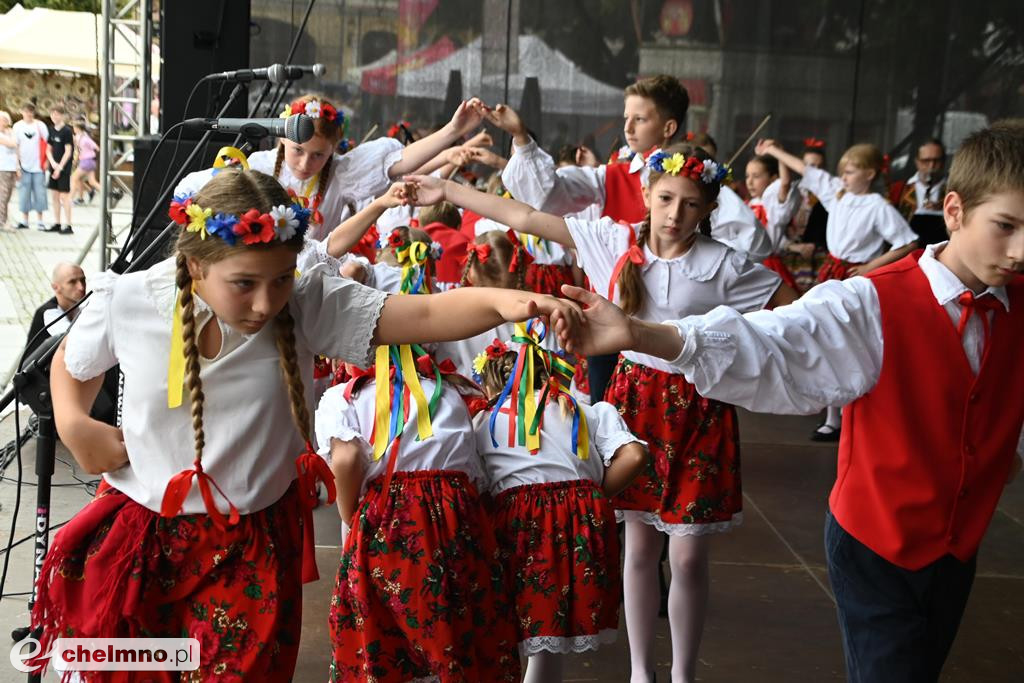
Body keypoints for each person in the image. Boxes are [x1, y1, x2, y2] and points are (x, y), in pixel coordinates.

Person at [31, 168, 583, 680]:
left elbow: (422, 315)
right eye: (244, 283)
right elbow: (71, 364)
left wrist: (513, 301)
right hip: (144, 538)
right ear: (196, 266)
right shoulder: (128, 299)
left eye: (281, 279)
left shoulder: (306, 302)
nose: (267, 301)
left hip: (249, 552)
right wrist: (75, 423)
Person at [555, 119, 1024, 683]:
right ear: (954, 211)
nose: (1020, 250)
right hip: (877, 541)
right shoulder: (873, 302)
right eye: (1006, 226)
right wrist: (639, 335)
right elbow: (768, 341)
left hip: (957, 547)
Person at [401, 142, 795, 683]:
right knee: (636, 547)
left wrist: (733, 363)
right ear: (648, 196)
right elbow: (524, 214)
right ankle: (640, 671)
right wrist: (446, 189)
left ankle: (683, 673)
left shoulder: (724, 265)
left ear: (707, 210)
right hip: (637, 401)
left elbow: (782, 321)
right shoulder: (613, 241)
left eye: (690, 204)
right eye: (665, 198)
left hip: (698, 410)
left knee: (686, 558)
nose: (675, 214)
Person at [315, 251, 520, 682]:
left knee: (385, 637)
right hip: (457, 520)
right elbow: (471, 468)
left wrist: (352, 515)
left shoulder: (345, 397)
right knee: (456, 634)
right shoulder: (451, 392)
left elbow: (348, 457)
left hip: (389, 521)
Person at [473, 327, 648, 683]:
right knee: (550, 637)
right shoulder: (588, 411)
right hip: (581, 525)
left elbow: (477, 482)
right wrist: (591, 495)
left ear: (493, 383)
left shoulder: (484, 421)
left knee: (510, 627)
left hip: (522, 527)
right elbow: (634, 455)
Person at [761, 139, 919, 442]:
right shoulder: (838, 194)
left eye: (850, 171)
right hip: (833, 271)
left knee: (852, 341)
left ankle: (849, 414)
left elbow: (907, 242)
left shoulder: (876, 206)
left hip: (856, 275)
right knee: (827, 337)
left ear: (870, 174)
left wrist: (872, 266)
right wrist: (774, 150)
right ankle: (832, 417)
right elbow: (805, 170)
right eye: (843, 171)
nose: (844, 176)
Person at [175, 94, 490, 242]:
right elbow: (189, 189)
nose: (305, 163)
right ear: (282, 140)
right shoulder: (258, 167)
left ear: (333, 150)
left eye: (318, 155)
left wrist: (451, 131)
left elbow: (401, 161)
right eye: (298, 150)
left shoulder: (342, 171)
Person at [25, 262, 117, 426]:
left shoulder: (81, 308)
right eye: (72, 282)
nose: (81, 287)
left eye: (83, 280)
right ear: (56, 287)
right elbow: (74, 341)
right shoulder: (48, 313)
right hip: (46, 386)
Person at [745, 151, 801, 290]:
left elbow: (785, 183)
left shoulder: (772, 206)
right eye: (747, 176)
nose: (750, 182)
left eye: (756, 176)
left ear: (773, 179)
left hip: (766, 265)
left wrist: (777, 152)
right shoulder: (748, 204)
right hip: (746, 264)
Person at [890, 138, 948, 246]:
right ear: (917, 162)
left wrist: (943, 209)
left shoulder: (955, 189)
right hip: (905, 254)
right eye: (926, 161)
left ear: (944, 161)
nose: (931, 165)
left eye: (937, 160)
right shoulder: (898, 189)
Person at [12, 102, 48, 230]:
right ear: (21, 111)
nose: (29, 113)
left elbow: (48, 144)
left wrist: (46, 162)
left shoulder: (40, 125)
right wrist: (17, 166)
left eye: (31, 111)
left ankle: (40, 221)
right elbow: (15, 147)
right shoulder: (17, 127)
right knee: (24, 193)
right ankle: (25, 221)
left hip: (38, 166)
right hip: (23, 166)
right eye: (26, 111)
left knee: (40, 193)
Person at [45, 104, 74, 234]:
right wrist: (52, 163)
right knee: (54, 196)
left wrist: (60, 167)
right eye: (52, 114)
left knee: (64, 197)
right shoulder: (51, 130)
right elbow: (48, 148)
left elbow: (68, 151)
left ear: (62, 115)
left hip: (64, 168)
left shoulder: (67, 131)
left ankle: (68, 225)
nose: (54, 116)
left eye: (57, 114)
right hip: (53, 166)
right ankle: (57, 222)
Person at [71, 118, 100, 205]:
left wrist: (86, 151)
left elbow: (96, 147)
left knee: (73, 178)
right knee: (92, 181)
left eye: (74, 127)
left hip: (86, 161)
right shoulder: (80, 137)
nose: (73, 129)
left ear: (78, 128)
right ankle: (108, 195)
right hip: (89, 161)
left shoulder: (84, 138)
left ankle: (69, 199)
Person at [0, 111, 18, 230]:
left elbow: (16, 150)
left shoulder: (10, 132)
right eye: (2, 120)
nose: (4, 122)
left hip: (11, 168)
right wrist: (13, 137)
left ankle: (4, 219)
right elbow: (13, 144)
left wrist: (18, 167)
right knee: (3, 195)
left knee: (8, 196)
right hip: (2, 168)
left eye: (5, 120)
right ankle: (2, 221)